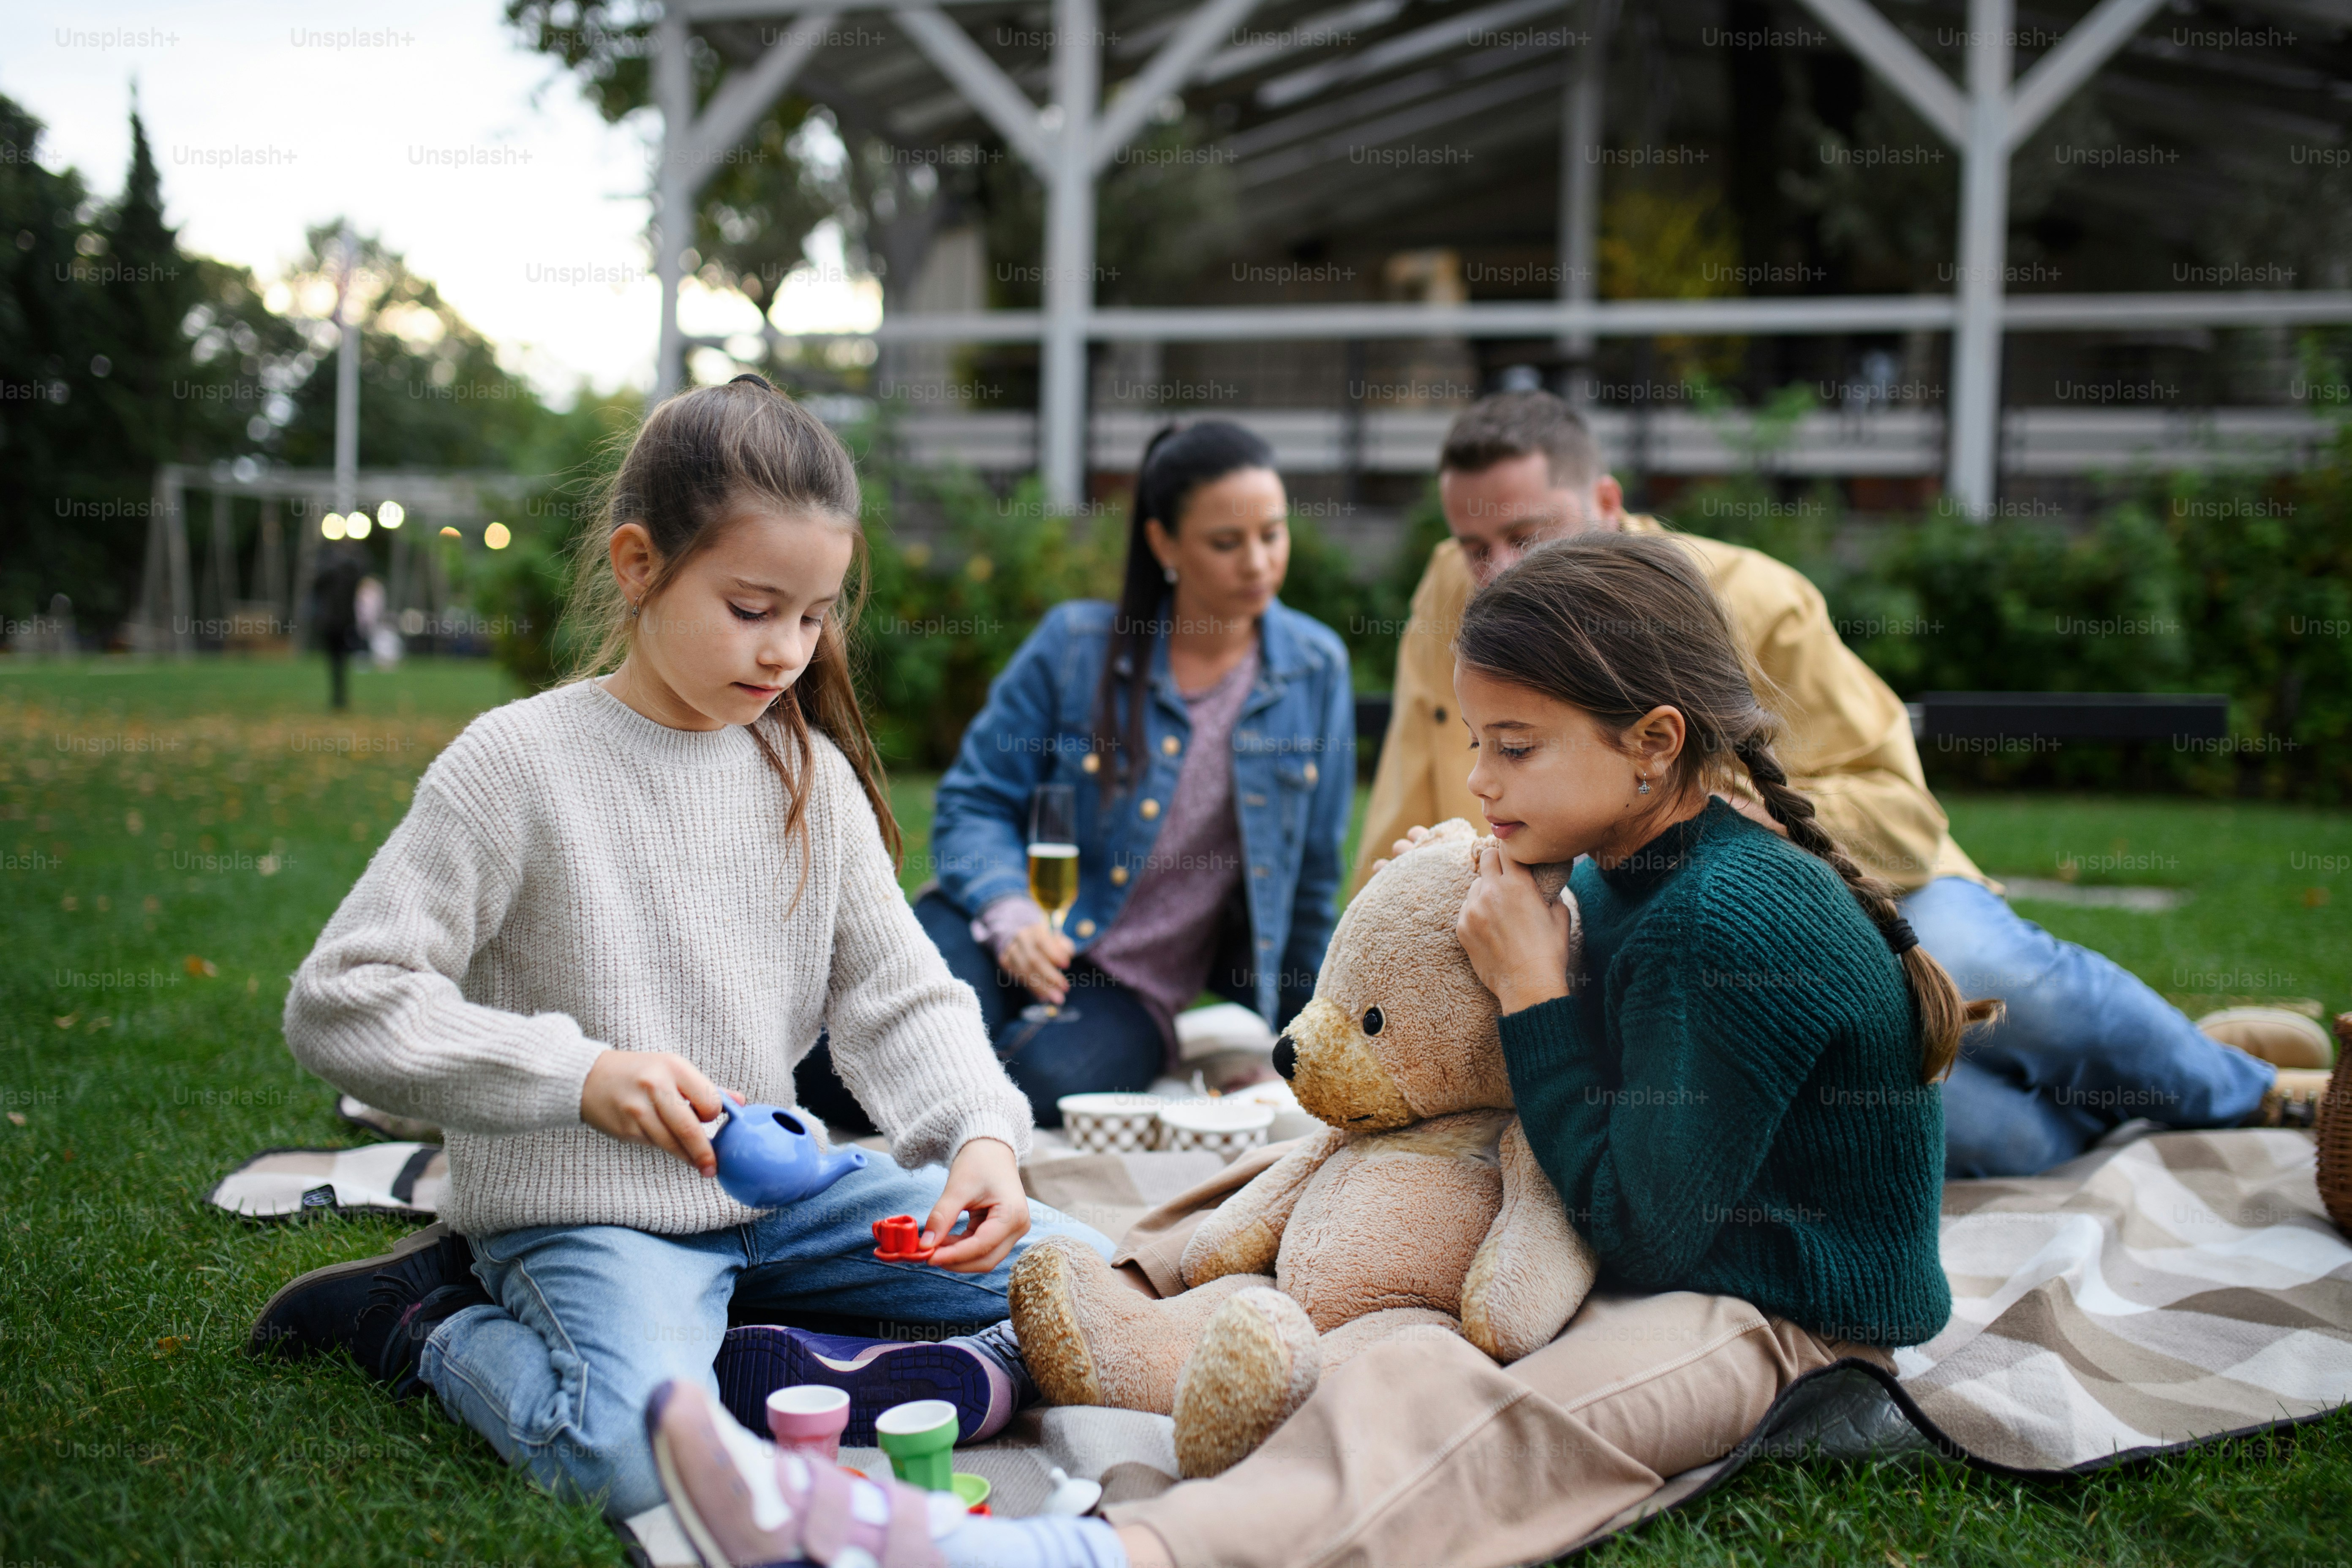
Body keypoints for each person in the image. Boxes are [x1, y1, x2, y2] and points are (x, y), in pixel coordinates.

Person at [636, 531, 1967, 1568]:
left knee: (1449, 1397)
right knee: (1326, 1166)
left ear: (1654, 743)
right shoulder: (1627, 866)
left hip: (1776, 1315)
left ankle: (1083, 1551)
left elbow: (1647, 1231)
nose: (1481, 782)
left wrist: (1531, 993)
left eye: (1515, 749)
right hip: (1623, 1224)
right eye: (1476, 743)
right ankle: (1064, 1318)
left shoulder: (1725, 918)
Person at [246, 377, 1113, 1521]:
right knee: (631, 1459)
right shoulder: (516, 765)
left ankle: (755, 1346)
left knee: (1089, 1282)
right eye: (753, 609)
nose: (788, 651)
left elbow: (901, 996)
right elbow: (343, 998)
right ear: (639, 564)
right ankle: (426, 1320)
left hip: (779, 1202)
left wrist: (982, 1139)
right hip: (584, 1214)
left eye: (814, 617)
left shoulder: (810, 777)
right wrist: (581, 1076)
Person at [1358, 389, 2331, 1177]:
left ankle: (2245, 1087)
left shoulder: (1758, 598)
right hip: (1627, 946)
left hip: (1873, 896)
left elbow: (1905, 812)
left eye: (1527, 536)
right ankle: (2138, 1085)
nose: (1496, 571)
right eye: (1474, 547)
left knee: (1985, 967)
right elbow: (1409, 787)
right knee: (1976, 1132)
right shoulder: (1453, 604)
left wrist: (1734, 832)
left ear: (1608, 503)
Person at [804, 421, 1353, 1128]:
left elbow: (1311, 880)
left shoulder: (1314, 669)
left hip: (1129, 989)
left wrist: (1300, 1047)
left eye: (1273, 535)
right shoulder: (1073, 647)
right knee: (852, 1067)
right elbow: (975, 801)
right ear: (1164, 544)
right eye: (1226, 542)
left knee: (1043, 1083)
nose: (1258, 562)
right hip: (995, 928)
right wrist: (1011, 914)